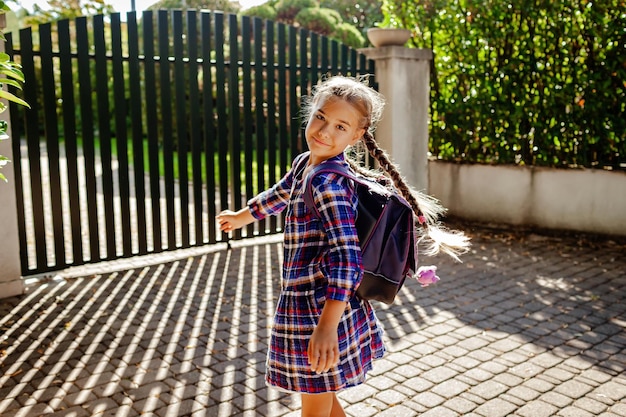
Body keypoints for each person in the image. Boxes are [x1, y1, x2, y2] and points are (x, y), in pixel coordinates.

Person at [216, 76, 469, 417]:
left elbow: (348, 260)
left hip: (318, 310)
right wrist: (241, 216)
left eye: (340, 126)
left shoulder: (328, 184)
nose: (324, 131)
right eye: (320, 117)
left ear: (356, 137)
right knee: (326, 398)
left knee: (315, 405)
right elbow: (277, 196)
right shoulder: (306, 164)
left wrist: (326, 327)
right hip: (314, 304)